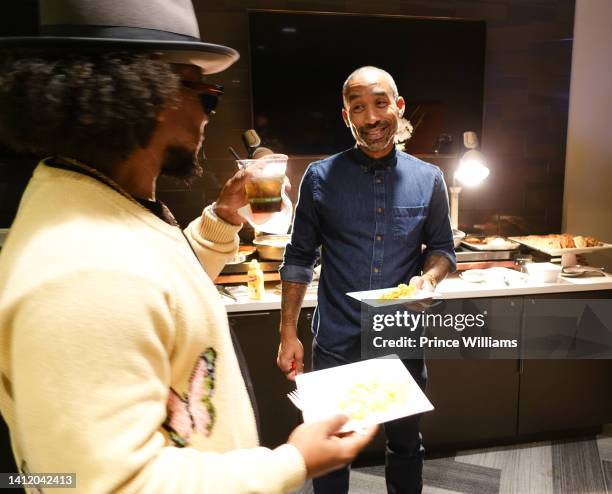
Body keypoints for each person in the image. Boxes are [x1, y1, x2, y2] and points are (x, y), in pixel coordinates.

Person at [0, 2, 376, 493]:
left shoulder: (97, 204)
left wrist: (220, 219)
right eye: (205, 94)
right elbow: (114, 485)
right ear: (142, 95)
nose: (208, 115)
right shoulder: (81, 272)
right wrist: (293, 461)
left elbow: (153, 296)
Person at [277, 66, 456, 494]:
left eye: (380, 103)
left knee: (406, 446)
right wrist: (287, 332)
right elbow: (299, 257)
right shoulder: (320, 178)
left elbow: (442, 250)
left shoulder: (429, 180)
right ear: (346, 116)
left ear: (398, 106)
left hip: (399, 341)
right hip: (336, 342)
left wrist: (428, 280)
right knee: (331, 452)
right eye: (358, 107)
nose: (371, 117)